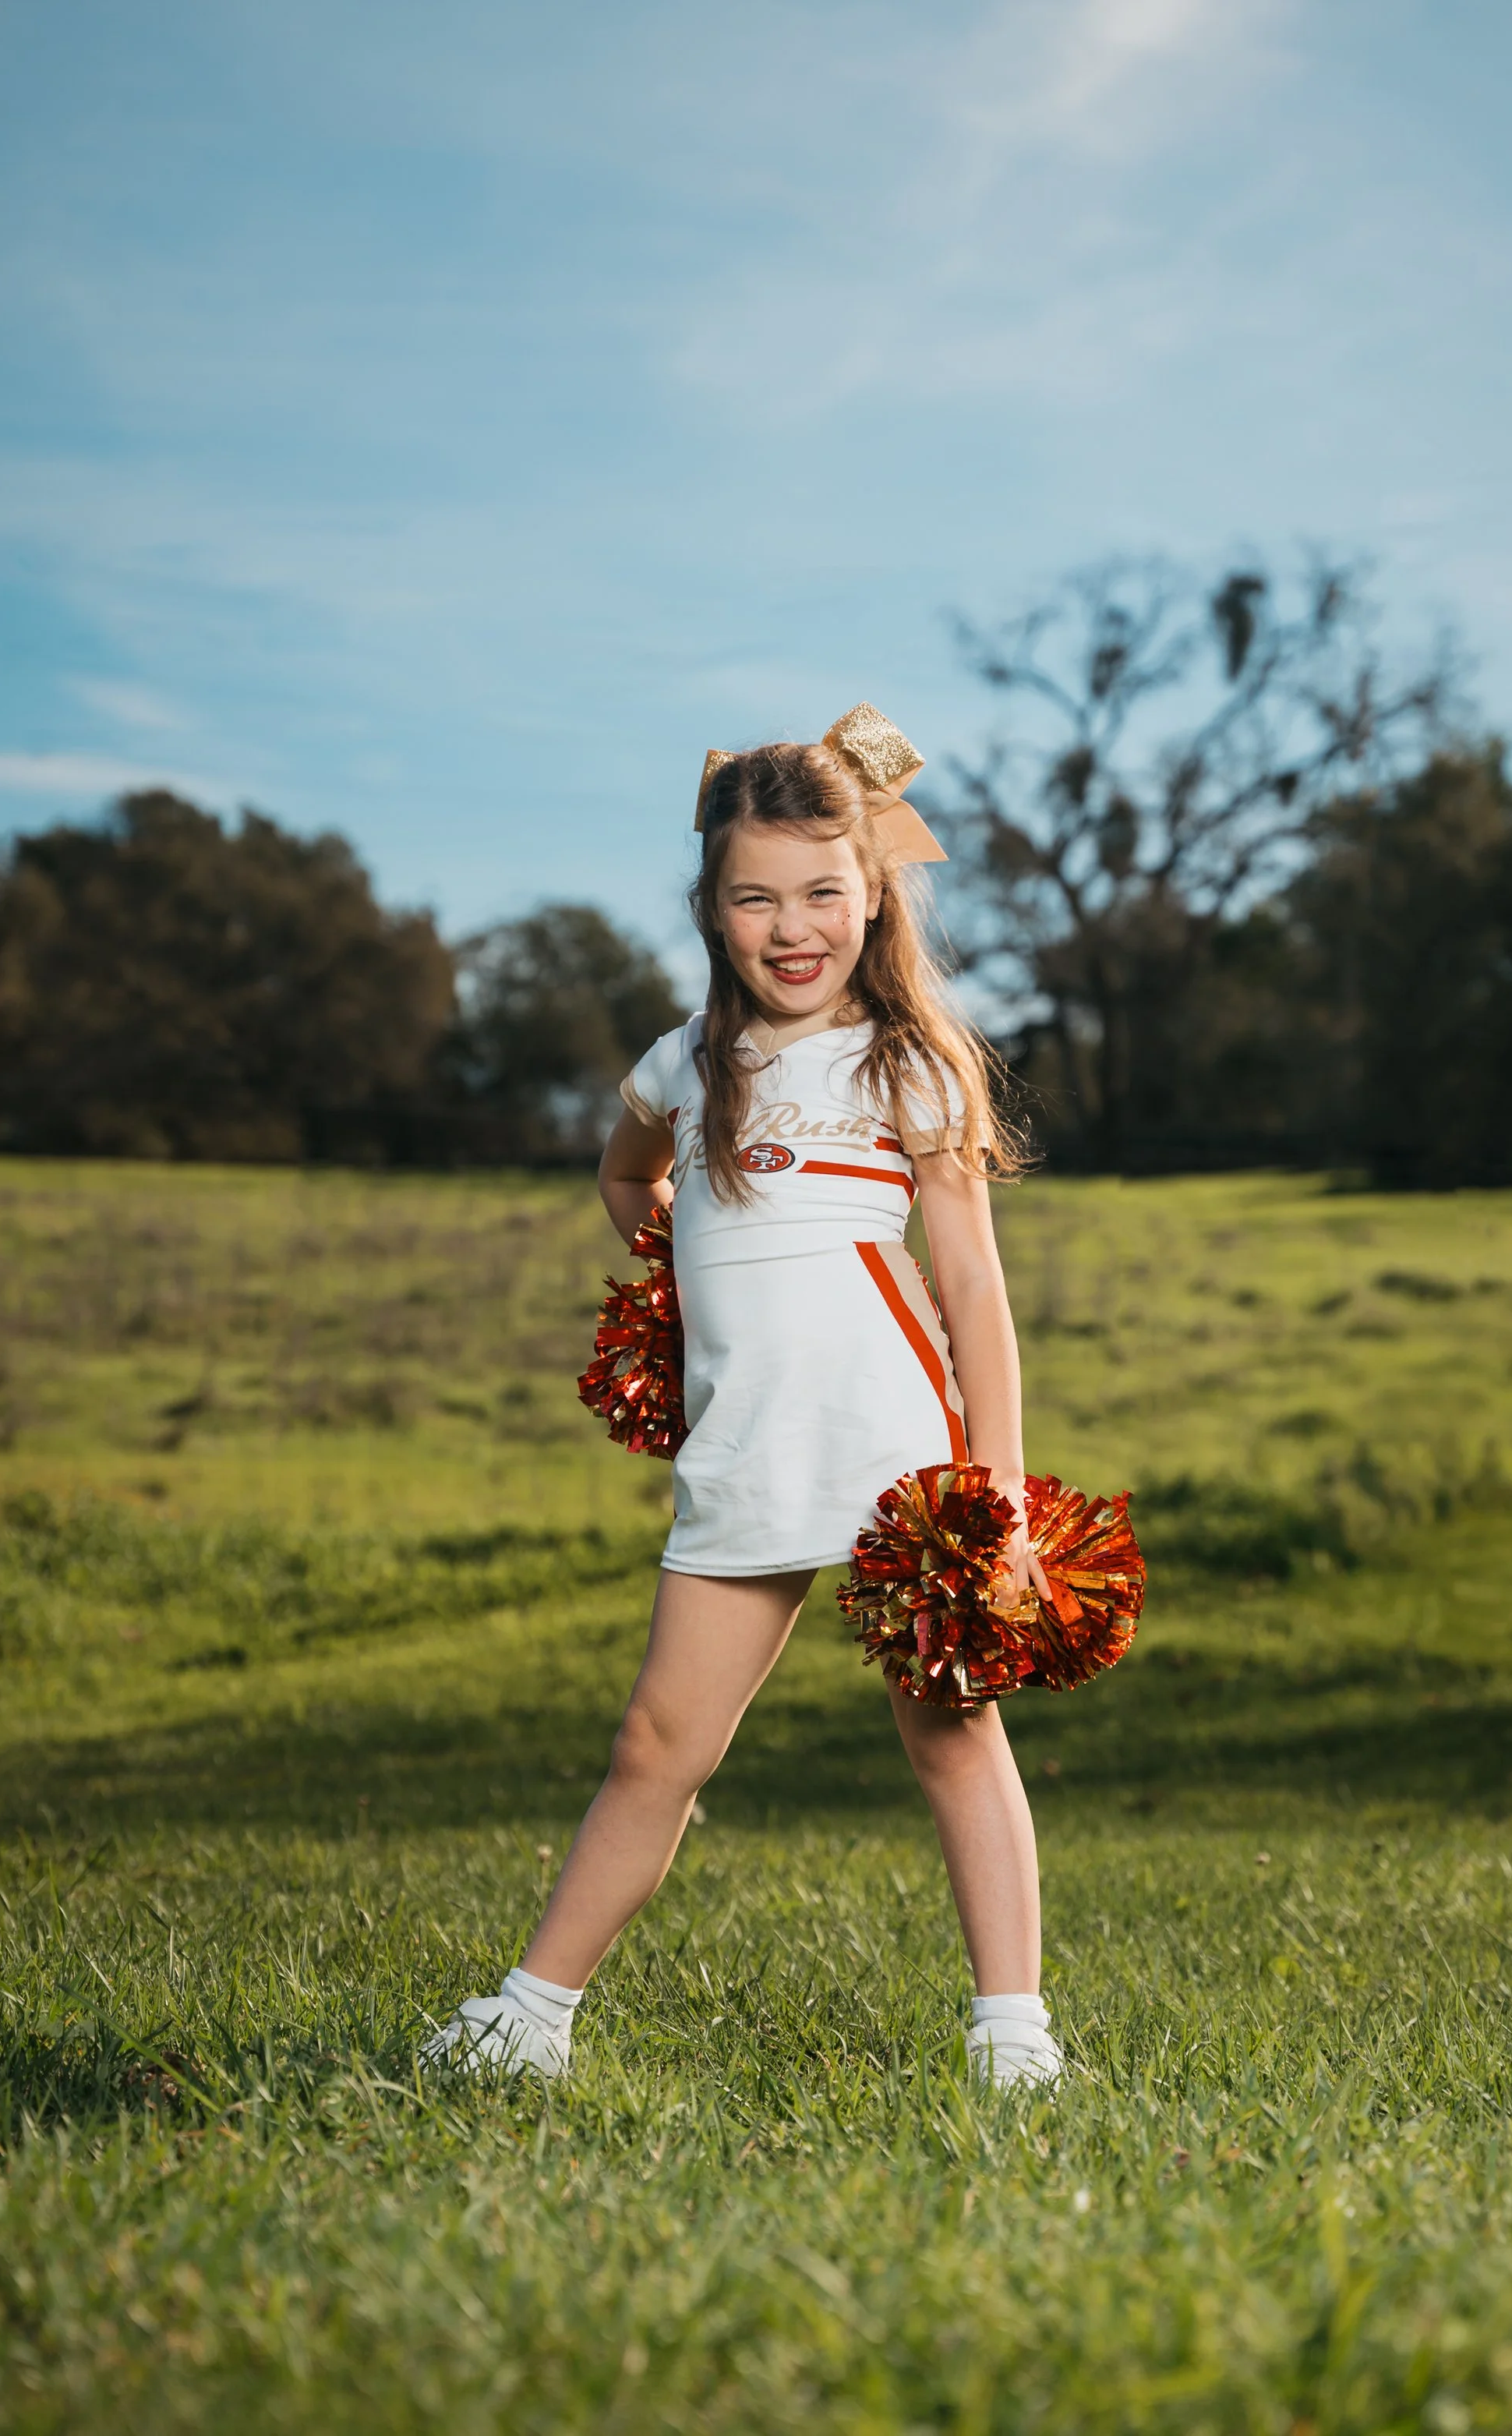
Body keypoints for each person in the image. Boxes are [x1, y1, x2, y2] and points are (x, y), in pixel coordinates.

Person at [423, 709, 1062, 2088]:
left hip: (901, 1454)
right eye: (754, 896)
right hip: (747, 1454)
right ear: (711, 908)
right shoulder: (684, 1064)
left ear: (871, 893)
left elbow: (974, 1292)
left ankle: (1015, 2035)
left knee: (951, 1734)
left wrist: (997, 1495)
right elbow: (622, 1180)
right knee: (658, 1740)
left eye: (823, 891)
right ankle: (528, 2019)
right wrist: (678, 1299)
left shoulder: (911, 1062)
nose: (792, 926)